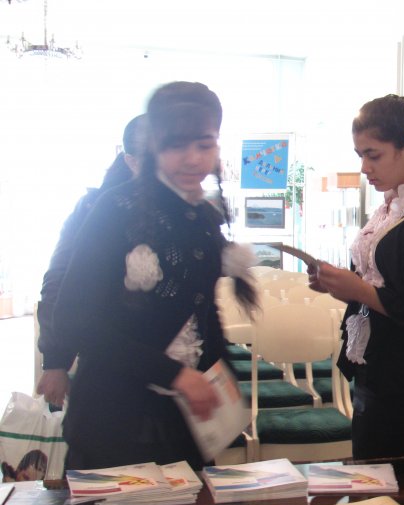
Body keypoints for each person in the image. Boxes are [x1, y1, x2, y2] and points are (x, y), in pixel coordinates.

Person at [54, 82, 257, 470]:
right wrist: (175, 375)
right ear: (153, 146)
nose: (192, 159)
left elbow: (203, 311)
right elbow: (73, 320)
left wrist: (219, 380)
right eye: (176, 145)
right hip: (115, 420)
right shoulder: (114, 209)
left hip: (187, 423)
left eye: (205, 143)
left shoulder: (206, 217)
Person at [310, 94, 404, 460]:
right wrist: (339, 286)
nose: (364, 167)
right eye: (360, 155)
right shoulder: (388, 208)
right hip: (374, 366)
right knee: (369, 470)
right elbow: (372, 283)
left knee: (394, 479)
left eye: (372, 154)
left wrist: (360, 291)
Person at [35, 114, 148, 408]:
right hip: (109, 364)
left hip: (169, 375)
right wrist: (56, 361)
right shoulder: (98, 208)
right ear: (131, 161)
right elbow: (60, 279)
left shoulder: (188, 214)